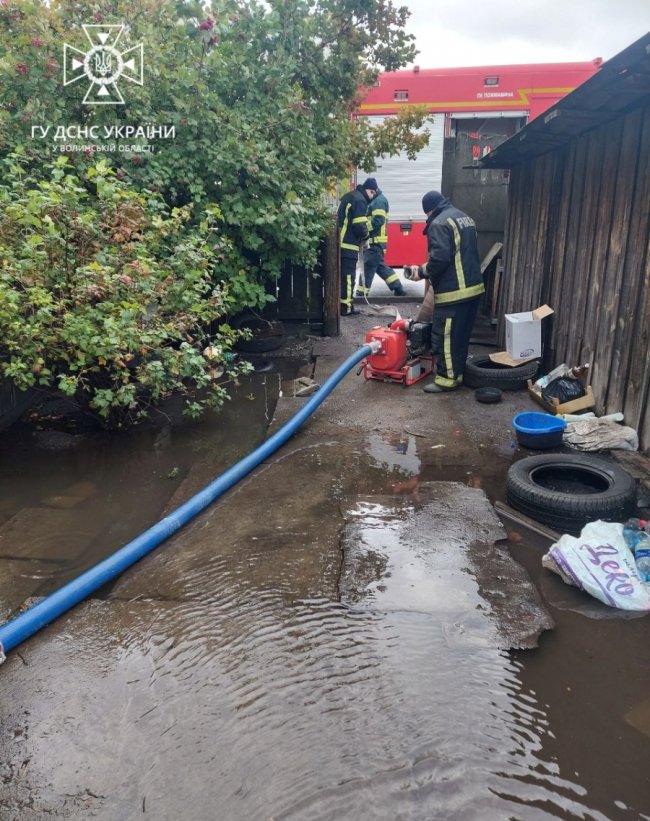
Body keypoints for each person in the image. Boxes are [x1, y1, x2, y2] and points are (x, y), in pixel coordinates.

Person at [418, 191, 485, 393]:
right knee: (460, 337)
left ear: (429, 211)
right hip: (473, 290)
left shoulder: (438, 223)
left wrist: (421, 272)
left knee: (444, 337)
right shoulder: (464, 218)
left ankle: (446, 380)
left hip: (454, 293)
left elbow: (440, 258)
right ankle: (458, 374)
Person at [356, 178, 406, 299]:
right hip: (375, 242)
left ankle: (361, 293)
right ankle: (398, 287)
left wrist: (364, 229)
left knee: (368, 266)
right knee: (379, 267)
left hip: (375, 242)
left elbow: (378, 221)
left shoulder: (379, 201)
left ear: (373, 190)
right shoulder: (376, 200)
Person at [336, 179, 373, 316]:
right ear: (370, 190)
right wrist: (365, 238)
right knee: (348, 277)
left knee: (342, 277)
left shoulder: (350, 196)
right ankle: (346, 307)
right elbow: (359, 225)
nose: (372, 197)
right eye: (372, 194)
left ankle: (344, 305)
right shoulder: (360, 200)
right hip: (348, 244)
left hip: (341, 241)